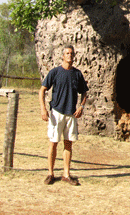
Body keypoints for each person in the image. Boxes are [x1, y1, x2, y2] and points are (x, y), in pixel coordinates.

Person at [39, 45, 89, 186]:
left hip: (71, 114)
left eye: (72, 54)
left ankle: (66, 174)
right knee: (53, 143)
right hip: (56, 113)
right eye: (67, 53)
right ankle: (50, 173)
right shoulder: (55, 72)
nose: (69, 56)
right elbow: (42, 90)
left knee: (68, 144)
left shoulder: (77, 74)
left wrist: (81, 107)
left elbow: (84, 92)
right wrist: (43, 109)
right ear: (62, 56)